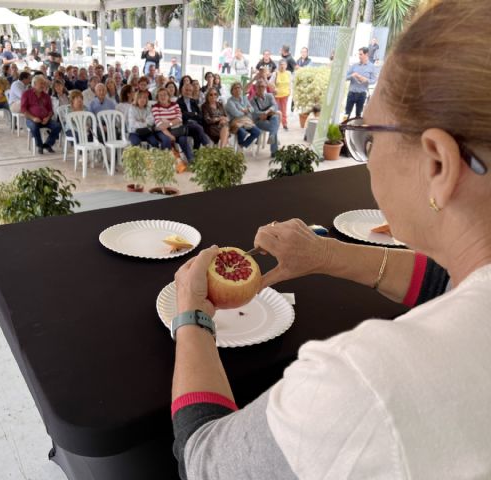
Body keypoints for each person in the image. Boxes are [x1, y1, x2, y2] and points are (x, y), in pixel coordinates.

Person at [171, 2, 491, 479]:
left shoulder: (368, 384)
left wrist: (192, 317)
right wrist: (326, 254)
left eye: (368, 137)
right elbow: (460, 286)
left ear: (438, 165)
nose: (366, 158)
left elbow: (206, 462)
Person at [21, 75, 61, 155]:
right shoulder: (26, 94)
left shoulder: (46, 96)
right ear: (34, 84)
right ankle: (40, 145)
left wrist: (47, 117)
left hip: (45, 119)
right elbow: (23, 109)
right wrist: (33, 118)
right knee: (34, 126)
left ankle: (47, 144)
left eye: (44, 83)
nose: (43, 85)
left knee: (58, 126)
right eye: (41, 83)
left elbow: (50, 110)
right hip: (32, 119)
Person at [151, 88, 193, 163]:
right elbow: (159, 124)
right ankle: (167, 163)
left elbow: (179, 119)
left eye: (165, 95)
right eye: (160, 95)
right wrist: (170, 135)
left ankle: (191, 161)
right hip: (162, 131)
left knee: (183, 139)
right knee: (166, 139)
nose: (163, 97)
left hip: (176, 129)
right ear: (157, 97)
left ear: (168, 96)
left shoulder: (175, 105)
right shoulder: (155, 107)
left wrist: (168, 123)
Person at [226, 82, 260, 149]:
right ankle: (240, 148)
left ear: (241, 89)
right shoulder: (230, 101)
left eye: (239, 88)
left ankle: (242, 145)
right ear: (232, 91)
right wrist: (246, 111)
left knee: (257, 132)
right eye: (235, 88)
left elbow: (252, 109)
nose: (237, 89)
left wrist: (245, 111)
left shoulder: (244, 98)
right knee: (242, 132)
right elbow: (236, 114)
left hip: (246, 121)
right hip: (236, 122)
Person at [345, 47, 377, 118]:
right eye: (359, 54)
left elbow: (374, 80)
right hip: (351, 93)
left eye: (361, 54)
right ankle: (342, 129)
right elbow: (345, 77)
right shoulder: (354, 66)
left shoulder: (372, 67)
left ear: (366, 54)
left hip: (362, 95)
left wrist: (366, 80)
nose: (359, 56)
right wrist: (352, 75)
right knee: (347, 114)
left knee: (358, 116)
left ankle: (355, 129)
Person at [178, 82, 211, 150]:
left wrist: (190, 114)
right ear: (182, 90)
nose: (188, 92)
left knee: (197, 132)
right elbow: (182, 116)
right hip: (185, 125)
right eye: (186, 90)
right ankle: (207, 146)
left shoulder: (193, 101)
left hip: (195, 125)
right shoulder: (178, 102)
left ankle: (196, 154)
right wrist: (193, 114)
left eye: (190, 90)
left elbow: (200, 115)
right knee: (198, 128)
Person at [251, 80, 280, 154]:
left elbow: (275, 105)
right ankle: (274, 152)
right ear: (256, 88)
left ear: (265, 87)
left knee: (275, 118)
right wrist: (267, 113)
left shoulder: (269, 96)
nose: (261, 88)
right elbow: (255, 113)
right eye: (259, 86)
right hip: (259, 121)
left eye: (262, 86)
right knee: (274, 127)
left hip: (270, 117)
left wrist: (268, 111)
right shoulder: (253, 100)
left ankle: (272, 136)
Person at [273, 59, 291, 130]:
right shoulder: (275, 73)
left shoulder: (288, 73)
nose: (282, 66)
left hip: (285, 94)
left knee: (284, 110)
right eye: (281, 65)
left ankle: (285, 124)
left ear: (286, 66)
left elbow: (290, 83)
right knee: (276, 110)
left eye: (284, 65)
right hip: (277, 95)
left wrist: (290, 91)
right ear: (279, 66)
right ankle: (275, 123)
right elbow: (270, 83)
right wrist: (274, 89)